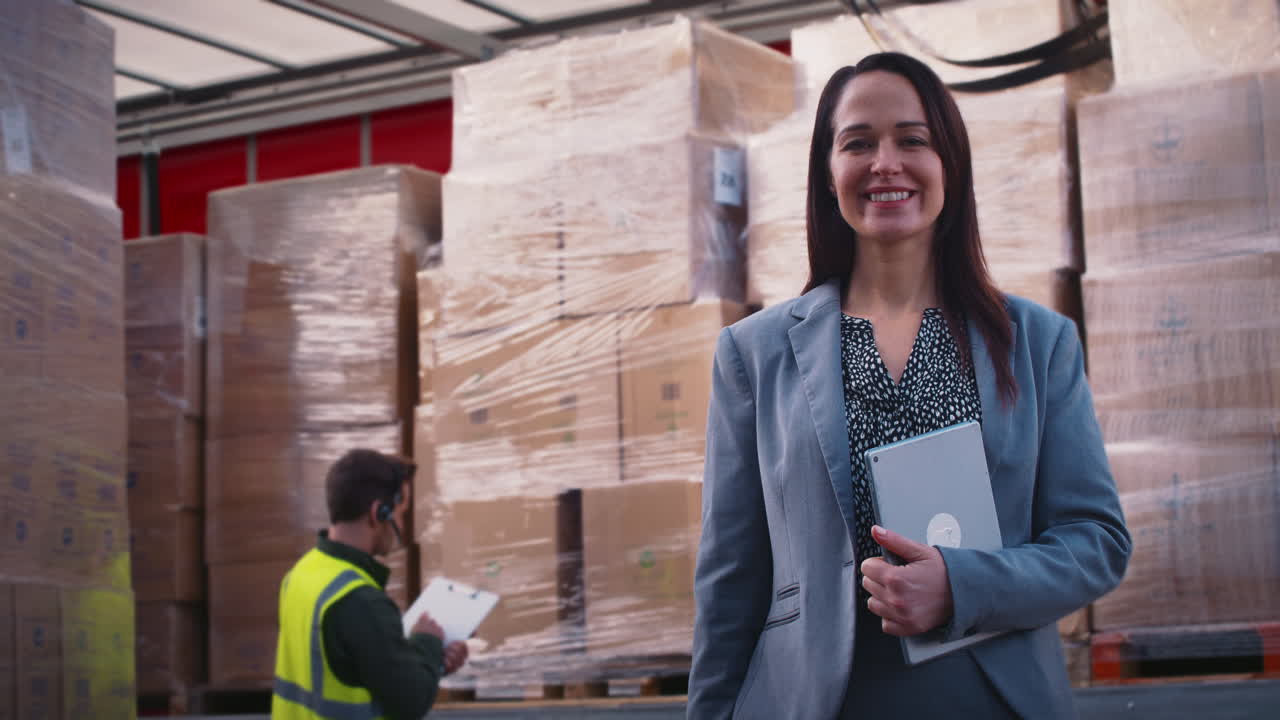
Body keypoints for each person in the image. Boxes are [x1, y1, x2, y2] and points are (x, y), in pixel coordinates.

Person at [688, 52, 1131, 719]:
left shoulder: (1039, 343)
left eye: (912, 139)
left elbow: (1095, 541)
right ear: (827, 173)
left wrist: (961, 584)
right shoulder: (755, 355)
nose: (885, 163)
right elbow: (731, 580)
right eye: (858, 143)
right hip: (818, 702)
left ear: (949, 161)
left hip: (992, 699)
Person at [272, 449, 469, 720]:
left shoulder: (302, 572)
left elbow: (349, 666)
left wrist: (430, 662)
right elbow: (410, 702)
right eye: (401, 512)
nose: (401, 523)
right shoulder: (360, 600)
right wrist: (427, 641)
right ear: (379, 512)